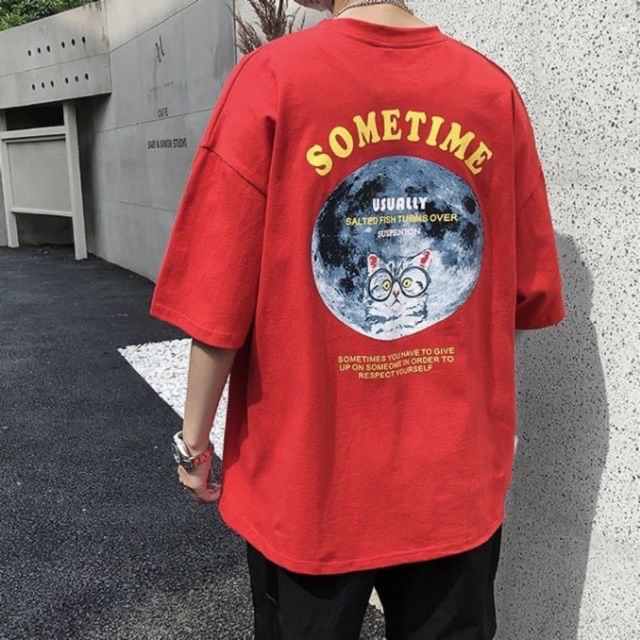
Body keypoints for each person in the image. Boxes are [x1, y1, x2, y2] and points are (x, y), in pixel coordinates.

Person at [149, 0, 567, 637]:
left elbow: (217, 294)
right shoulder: (490, 92)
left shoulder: (274, 80)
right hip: (452, 477)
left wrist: (196, 442)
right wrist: (493, 423)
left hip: (311, 482)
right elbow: (518, 291)